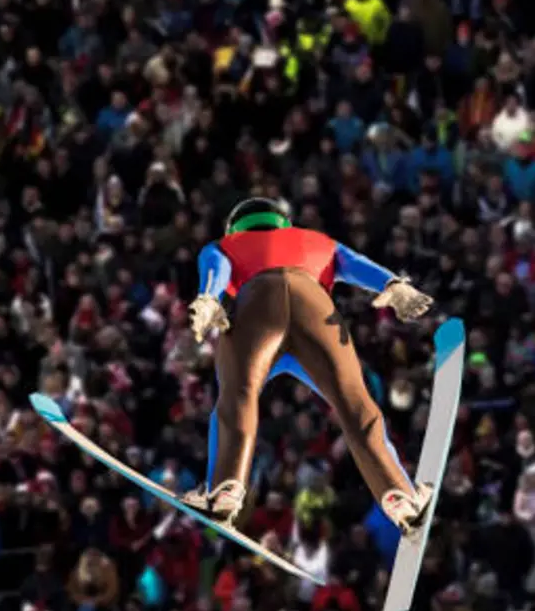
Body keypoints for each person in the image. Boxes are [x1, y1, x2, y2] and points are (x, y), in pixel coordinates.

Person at [182, 197, 435, 536]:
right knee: (354, 403)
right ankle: (400, 496)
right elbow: (355, 264)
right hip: (314, 308)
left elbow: (217, 268)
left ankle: (225, 489)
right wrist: (393, 285)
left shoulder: (225, 244)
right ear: (283, 223)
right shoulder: (315, 240)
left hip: (256, 307)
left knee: (237, 398)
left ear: (235, 227)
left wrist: (210, 297)